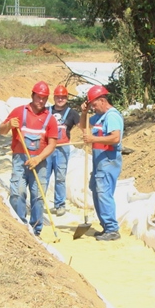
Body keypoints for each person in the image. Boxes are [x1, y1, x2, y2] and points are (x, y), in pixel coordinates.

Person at [0, 81, 58, 236]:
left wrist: (38, 159)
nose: (41, 101)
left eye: (44, 98)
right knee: (17, 193)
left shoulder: (50, 119)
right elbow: (1, 131)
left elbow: (52, 145)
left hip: (40, 162)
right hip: (20, 159)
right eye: (38, 97)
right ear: (32, 95)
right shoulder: (19, 112)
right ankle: (19, 226)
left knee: (38, 196)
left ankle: (36, 229)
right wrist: (9, 125)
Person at [80, 84, 124, 241]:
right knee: (96, 189)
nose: (93, 107)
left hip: (108, 159)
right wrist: (84, 112)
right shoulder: (99, 116)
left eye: (94, 104)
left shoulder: (111, 116)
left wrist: (93, 139)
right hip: (99, 160)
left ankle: (112, 229)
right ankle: (106, 226)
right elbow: (83, 126)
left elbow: (115, 138)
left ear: (103, 100)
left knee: (103, 192)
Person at [45, 85, 80, 217]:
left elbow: (82, 126)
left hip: (62, 149)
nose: (60, 99)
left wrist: (88, 134)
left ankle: (59, 205)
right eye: (58, 97)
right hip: (47, 147)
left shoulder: (72, 113)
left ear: (66, 98)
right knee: (44, 176)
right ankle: (38, 203)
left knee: (60, 177)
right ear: (54, 97)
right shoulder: (46, 111)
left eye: (63, 97)